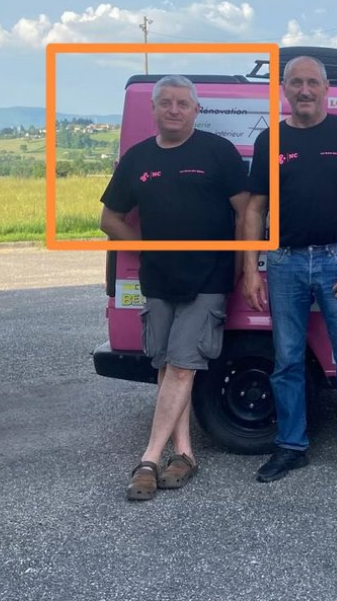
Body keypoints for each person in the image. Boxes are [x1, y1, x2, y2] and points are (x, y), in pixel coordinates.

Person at [100, 75, 249, 501]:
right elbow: (109, 219)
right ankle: (184, 454)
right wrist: (147, 250)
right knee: (167, 366)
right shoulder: (137, 158)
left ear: (196, 110)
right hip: (158, 278)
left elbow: (245, 213)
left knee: (183, 365)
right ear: (153, 109)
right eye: (165, 102)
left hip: (209, 277)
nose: (174, 110)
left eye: (183, 103)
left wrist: (241, 267)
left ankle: (149, 459)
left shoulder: (218, 152)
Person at [240, 55, 337, 483]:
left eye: (312, 83)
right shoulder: (270, 140)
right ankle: (291, 446)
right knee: (287, 360)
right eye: (296, 82)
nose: (304, 90)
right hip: (284, 261)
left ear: (326, 88)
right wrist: (251, 269)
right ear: (284, 88)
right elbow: (255, 209)